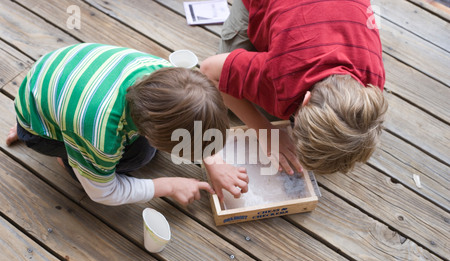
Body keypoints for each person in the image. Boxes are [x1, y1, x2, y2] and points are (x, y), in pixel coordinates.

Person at [6, 43, 245, 206]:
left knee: (141, 152)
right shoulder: (101, 135)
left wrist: (214, 160)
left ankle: (50, 126)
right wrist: (170, 185)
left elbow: (193, 112)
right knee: (139, 158)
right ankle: (65, 155)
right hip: (40, 125)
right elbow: (104, 193)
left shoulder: (168, 76)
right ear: (149, 134)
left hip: (56, 77)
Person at [201, 0, 388, 196]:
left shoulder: (373, 84)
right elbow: (208, 71)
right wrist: (265, 131)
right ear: (305, 99)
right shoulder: (281, 77)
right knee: (228, 96)